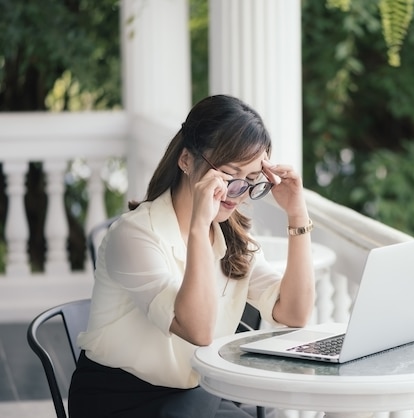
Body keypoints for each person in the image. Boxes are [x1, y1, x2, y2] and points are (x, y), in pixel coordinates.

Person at [68, 94, 316, 417]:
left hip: (194, 396)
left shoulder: (230, 234)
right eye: (228, 175)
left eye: (251, 182)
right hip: (120, 399)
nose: (236, 193)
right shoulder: (134, 235)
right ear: (186, 160)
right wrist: (199, 226)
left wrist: (297, 213)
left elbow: (294, 313)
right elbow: (198, 331)